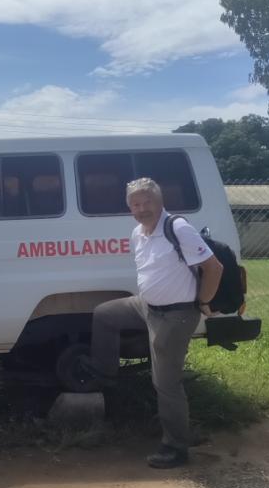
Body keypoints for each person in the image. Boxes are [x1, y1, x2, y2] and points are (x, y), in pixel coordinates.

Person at [84, 177, 223, 469]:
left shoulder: (177, 228)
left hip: (176, 314)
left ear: (160, 202)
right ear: (129, 208)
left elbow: (214, 267)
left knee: (165, 383)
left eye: (147, 202)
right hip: (147, 306)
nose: (142, 208)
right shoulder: (138, 232)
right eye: (136, 204)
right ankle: (107, 380)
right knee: (105, 314)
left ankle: (176, 447)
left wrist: (204, 301)